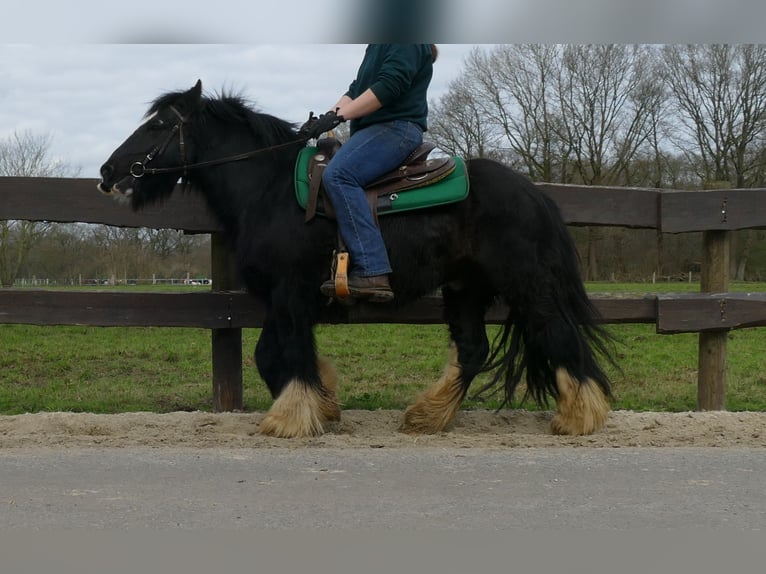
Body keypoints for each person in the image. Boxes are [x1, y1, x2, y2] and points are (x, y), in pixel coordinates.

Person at [301, 44, 438, 303]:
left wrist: (339, 118)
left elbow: (388, 86)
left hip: (396, 128)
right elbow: (355, 91)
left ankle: (372, 270)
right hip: (373, 130)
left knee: (339, 175)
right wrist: (328, 116)